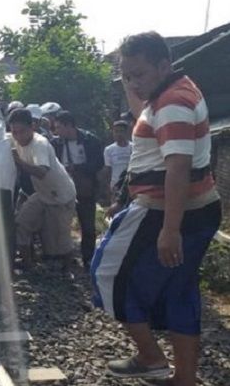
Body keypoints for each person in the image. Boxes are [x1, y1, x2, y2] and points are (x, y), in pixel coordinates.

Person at [91, 32, 221, 386]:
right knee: (180, 291)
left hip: (164, 209)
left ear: (164, 65)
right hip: (199, 208)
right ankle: (185, 378)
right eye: (126, 75)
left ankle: (150, 356)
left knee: (106, 273)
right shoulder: (170, 92)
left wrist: (169, 229)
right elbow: (145, 120)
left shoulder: (172, 103)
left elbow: (177, 166)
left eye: (138, 74)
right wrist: (135, 87)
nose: (132, 81)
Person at [8, 108, 76, 270]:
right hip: (41, 193)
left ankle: (68, 270)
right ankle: (27, 263)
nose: (18, 136)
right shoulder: (13, 138)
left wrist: (18, 161)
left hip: (60, 194)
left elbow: (41, 172)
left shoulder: (40, 144)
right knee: (21, 223)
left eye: (21, 131)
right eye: (14, 132)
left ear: (32, 127)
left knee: (60, 237)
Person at [51, 111, 104, 265]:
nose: (57, 131)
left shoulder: (90, 140)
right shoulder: (56, 144)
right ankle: (64, 257)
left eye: (59, 127)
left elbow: (98, 164)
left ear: (69, 126)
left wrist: (78, 168)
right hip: (63, 188)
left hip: (85, 188)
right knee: (61, 225)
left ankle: (88, 259)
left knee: (87, 226)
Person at [103, 120, 132, 201]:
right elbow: (108, 169)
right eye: (116, 131)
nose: (119, 134)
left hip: (131, 184)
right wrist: (107, 187)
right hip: (116, 185)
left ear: (126, 132)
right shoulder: (109, 150)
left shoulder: (133, 148)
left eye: (121, 131)